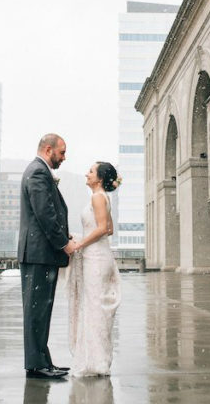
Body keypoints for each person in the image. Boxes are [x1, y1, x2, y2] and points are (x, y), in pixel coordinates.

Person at [18, 133, 76, 379]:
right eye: (62, 152)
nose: (64, 157)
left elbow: (45, 213)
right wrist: (64, 243)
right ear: (48, 149)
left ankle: (42, 361)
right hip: (39, 254)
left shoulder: (38, 171)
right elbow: (44, 213)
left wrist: (64, 236)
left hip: (39, 253)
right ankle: (36, 365)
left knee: (40, 310)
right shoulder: (38, 172)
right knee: (37, 311)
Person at [68, 161, 122, 377]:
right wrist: (81, 237)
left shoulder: (97, 197)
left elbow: (102, 229)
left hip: (95, 259)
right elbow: (109, 229)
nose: (86, 174)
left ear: (99, 178)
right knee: (96, 308)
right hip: (100, 255)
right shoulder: (104, 197)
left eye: (90, 171)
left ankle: (96, 361)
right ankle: (99, 359)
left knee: (94, 309)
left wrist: (80, 243)